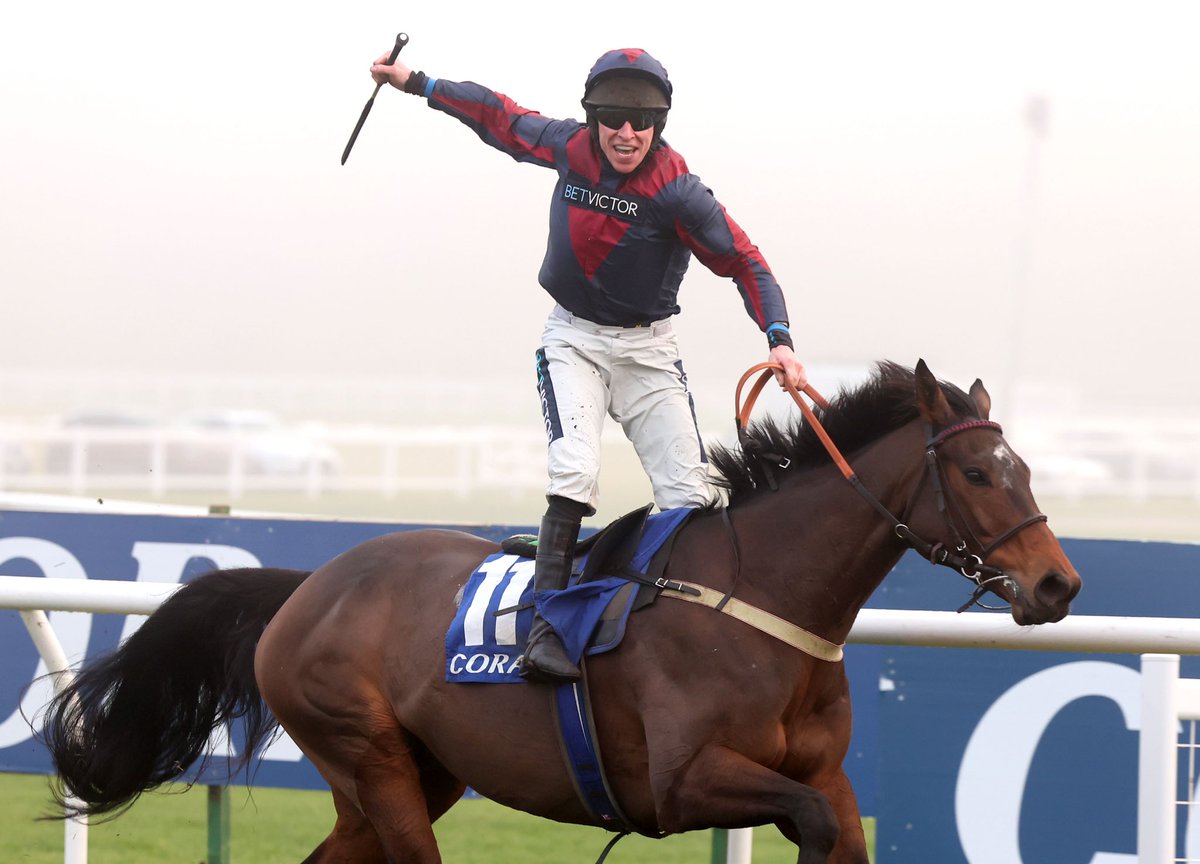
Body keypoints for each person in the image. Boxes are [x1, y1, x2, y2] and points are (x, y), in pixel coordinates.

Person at [371, 47, 807, 684]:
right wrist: (416, 82)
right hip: (571, 340)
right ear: (592, 118)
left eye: (641, 121)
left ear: (660, 124)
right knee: (575, 467)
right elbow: (498, 116)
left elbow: (747, 262)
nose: (626, 134)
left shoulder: (680, 192)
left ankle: (680, 635)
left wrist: (780, 337)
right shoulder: (568, 148)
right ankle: (548, 624)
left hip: (649, 353)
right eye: (612, 119)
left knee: (690, 497)